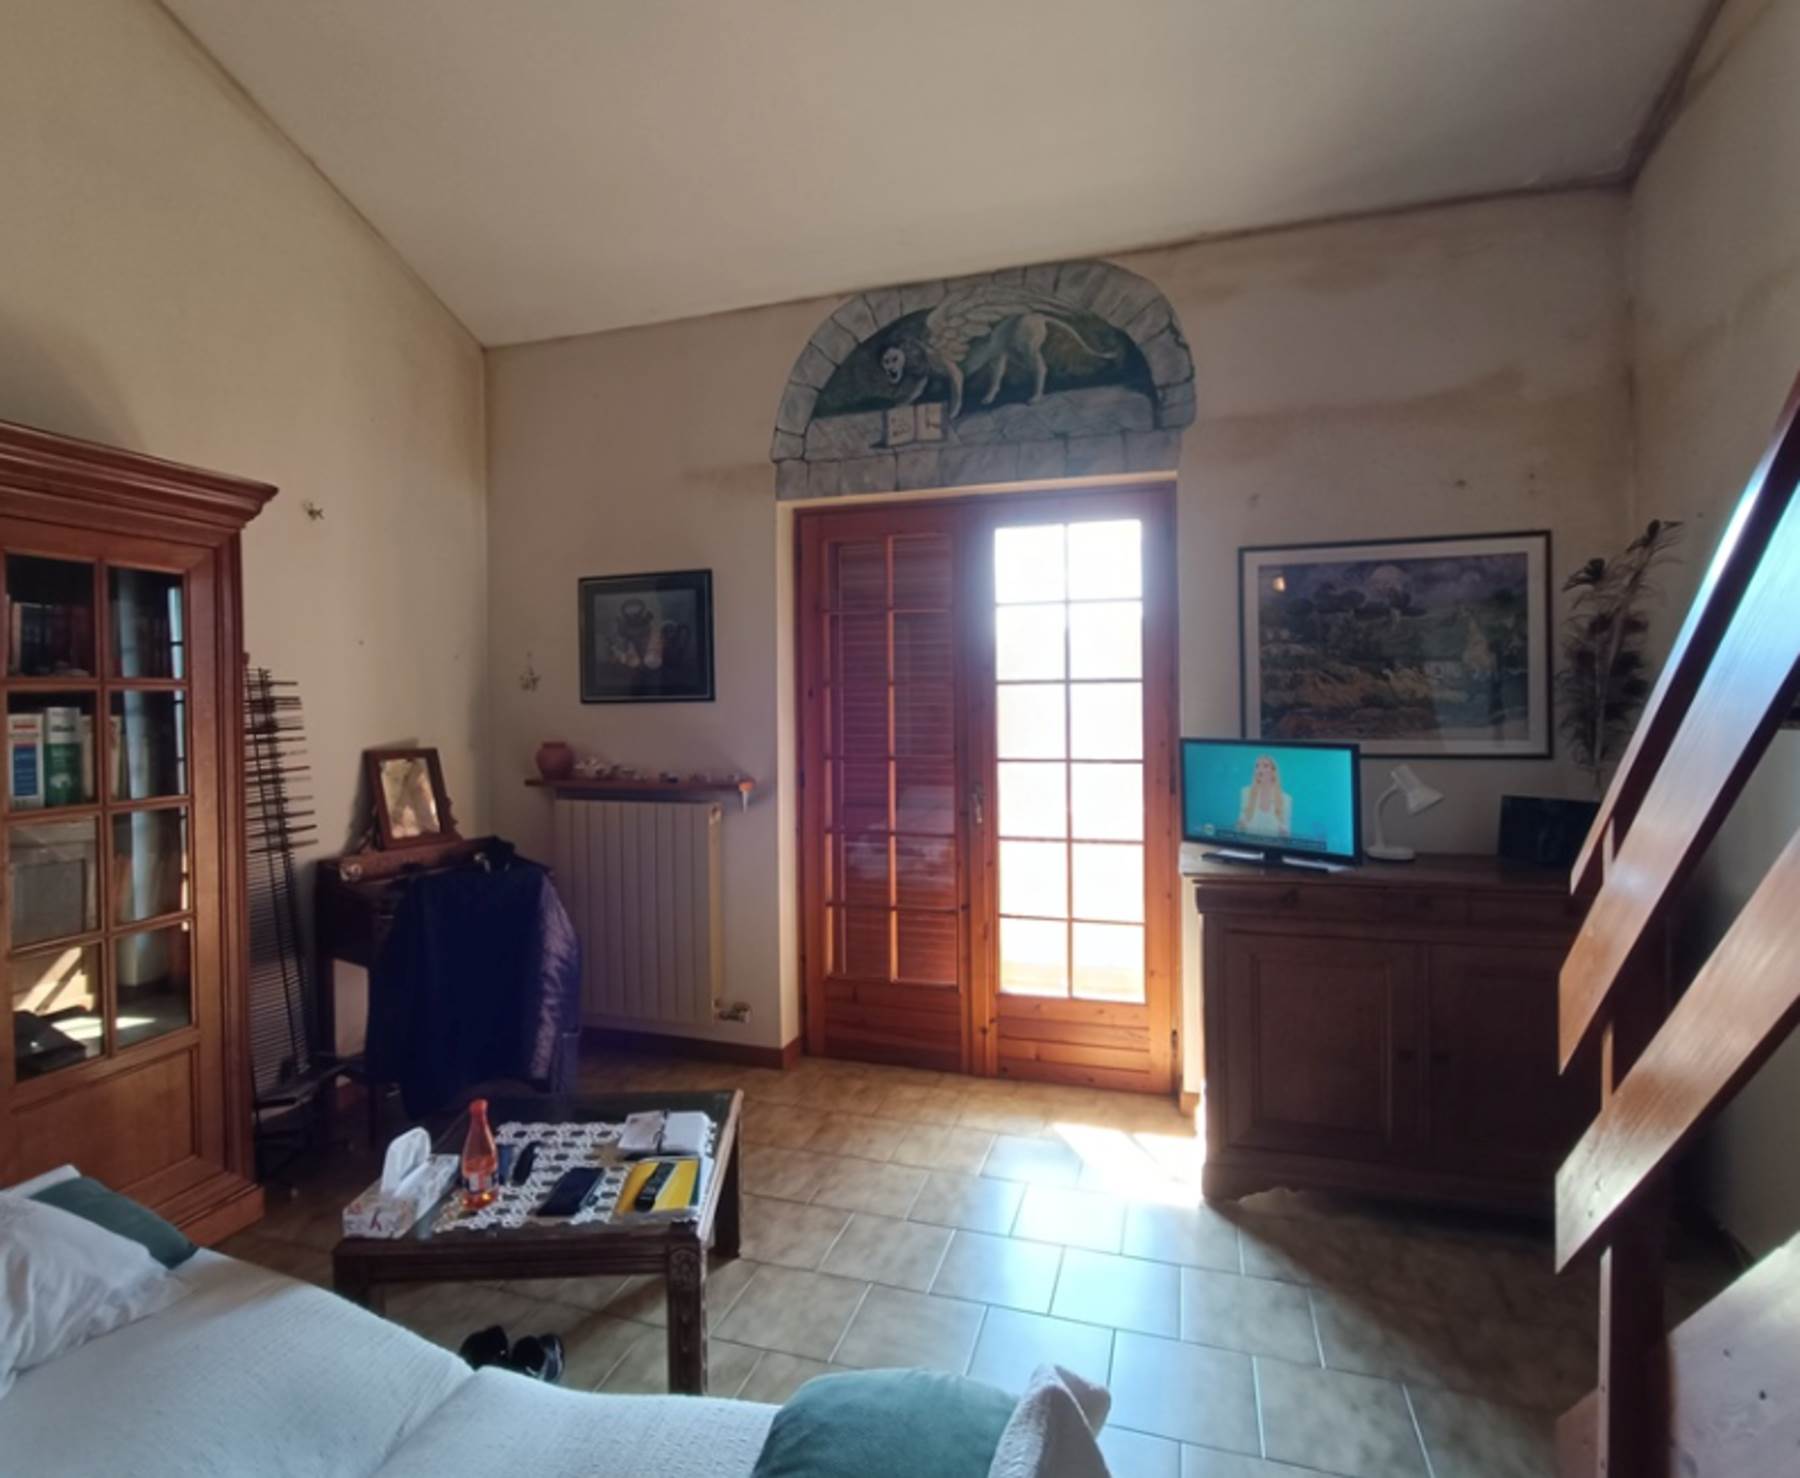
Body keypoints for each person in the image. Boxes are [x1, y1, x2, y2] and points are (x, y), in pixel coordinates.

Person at [1236, 754, 1292, 839]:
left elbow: (1287, 835)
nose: (1260, 769)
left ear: (1273, 772)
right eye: (1257, 766)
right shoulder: (1246, 793)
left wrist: (1284, 832)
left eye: (1265, 766)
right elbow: (1240, 828)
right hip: (1249, 844)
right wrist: (1239, 826)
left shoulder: (1286, 799)